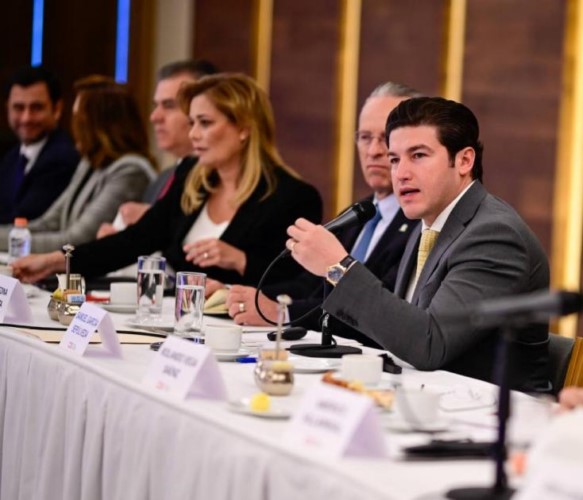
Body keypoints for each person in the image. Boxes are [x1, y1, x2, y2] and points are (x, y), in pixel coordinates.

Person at [285, 96, 550, 392]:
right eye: (395, 159)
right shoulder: (427, 223)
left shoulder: (495, 235)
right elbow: (401, 330)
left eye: (419, 155)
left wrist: (339, 268)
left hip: (494, 416)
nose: (400, 173)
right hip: (430, 398)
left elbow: (429, 343)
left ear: (464, 160)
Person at [12, 73, 323, 288]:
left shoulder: (292, 197)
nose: (193, 135)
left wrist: (241, 261)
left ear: (243, 128)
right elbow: (133, 241)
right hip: (173, 325)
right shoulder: (192, 176)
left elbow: (299, 285)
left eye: (205, 123)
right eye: (191, 123)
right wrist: (56, 261)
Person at [226, 82, 421, 339]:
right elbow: (310, 286)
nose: (373, 151)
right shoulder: (359, 213)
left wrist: (282, 313)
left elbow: (377, 307)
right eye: (364, 137)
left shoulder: (421, 222)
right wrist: (235, 293)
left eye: (385, 138)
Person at [0, 75, 156, 252]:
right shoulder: (90, 164)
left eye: (78, 119)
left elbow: (78, 239)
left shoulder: (130, 171)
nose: (73, 127)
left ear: (100, 125)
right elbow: (50, 222)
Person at [96, 59, 218, 239]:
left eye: (169, 105)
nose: (155, 117)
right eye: (156, 105)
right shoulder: (163, 179)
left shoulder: (222, 182)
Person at [0, 66, 79, 224]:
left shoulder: (64, 157)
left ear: (57, 109)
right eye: (18, 108)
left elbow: (25, 218)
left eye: (36, 108)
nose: (26, 118)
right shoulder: (11, 157)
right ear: (7, 108)